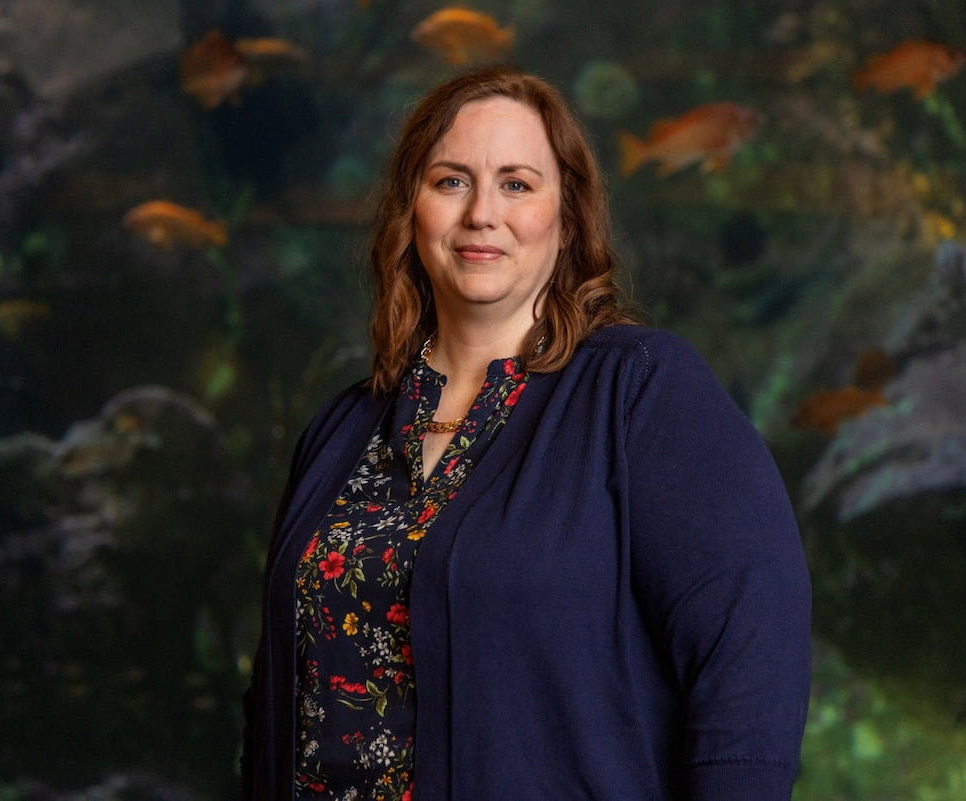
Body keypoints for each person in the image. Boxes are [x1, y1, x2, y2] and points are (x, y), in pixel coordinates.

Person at [242, 65, 811, 801]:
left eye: (517, 183)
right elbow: (274, 702)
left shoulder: (640, 390)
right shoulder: (341, 428)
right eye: (451, 181)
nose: (482, 212)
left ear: (567, 217)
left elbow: (752, 640)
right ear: (411, 210)